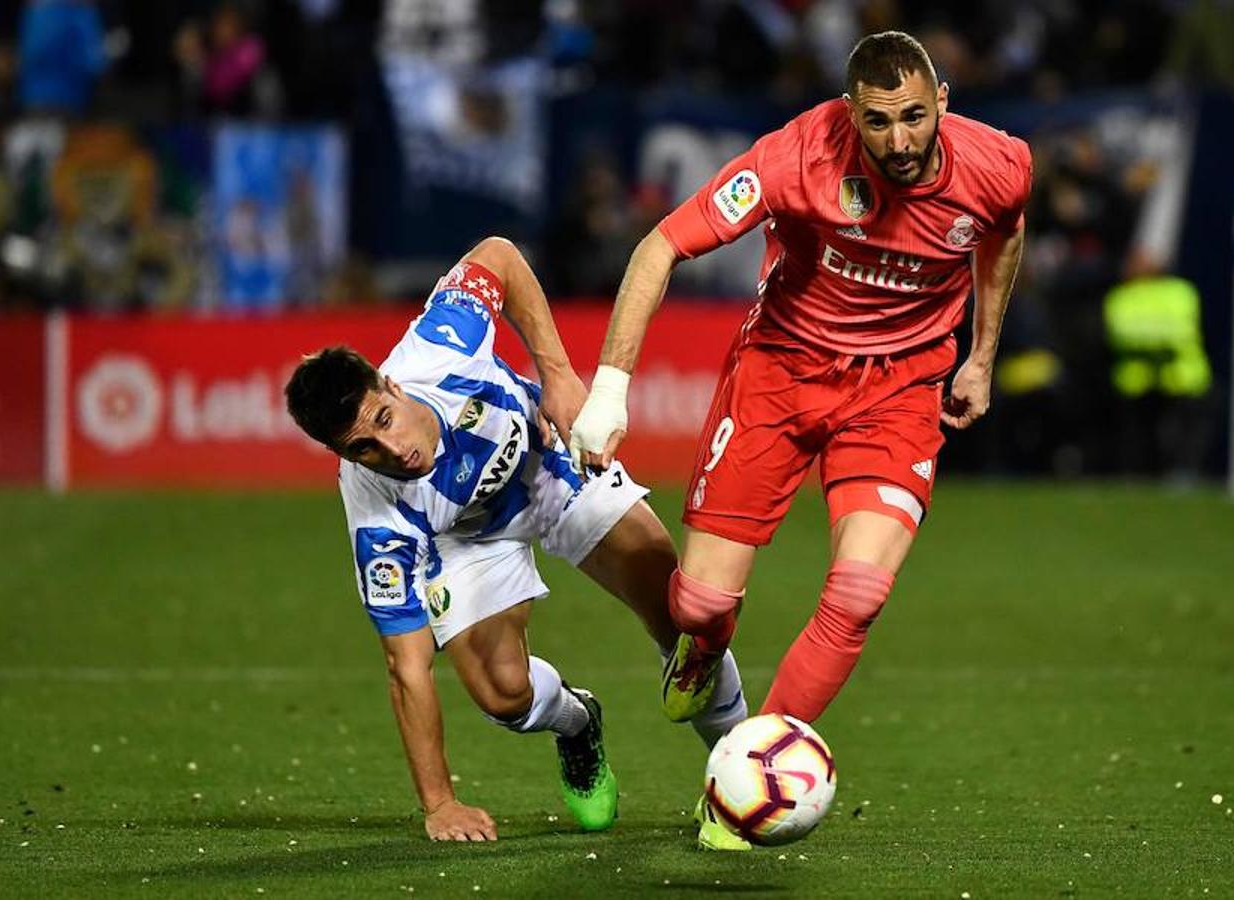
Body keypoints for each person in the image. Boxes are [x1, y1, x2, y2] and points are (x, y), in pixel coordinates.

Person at [567, 31, 1031, 845]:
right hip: (781, 373)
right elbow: (660, 245)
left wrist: (982, 355)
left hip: (899, 389)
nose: (898, 140)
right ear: (851, 114)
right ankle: (703, 648)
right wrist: (609, 390)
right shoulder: (796, 159)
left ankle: (748, 779)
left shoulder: (1000, 164)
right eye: (878, 121)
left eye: (915, 117)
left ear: (944, 103)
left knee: (858, 595)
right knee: (698, 604)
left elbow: (1005, 233)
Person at [284, 237, 746, 843]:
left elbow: (498, 256)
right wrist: (439, 803)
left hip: (549, 468)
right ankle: (578, 723)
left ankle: (742, 780)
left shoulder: (440, 345)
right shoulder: (378, 519)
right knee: (504, 696)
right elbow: (408, 668)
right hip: (464, 540)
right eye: (362, 448)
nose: (393, 452)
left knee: (681, 617)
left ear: (390, 386)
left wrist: (556, 373)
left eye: (383, 421)